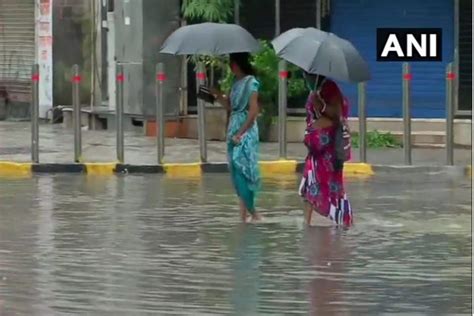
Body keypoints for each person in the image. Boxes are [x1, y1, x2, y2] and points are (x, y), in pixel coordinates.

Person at [211, 53, 262, 223]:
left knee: (243, 169)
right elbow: (231, 107)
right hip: (233, 128)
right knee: (234, 170)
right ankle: (243, 215)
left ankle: (253, 213)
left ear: (235, 64)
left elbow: (253, 111)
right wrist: (217, 96)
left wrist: (240, 132)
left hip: (245, 130)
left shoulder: (251, 82)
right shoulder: (235, 84)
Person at [299, 72, 353, 227]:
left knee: (331, 185)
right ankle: (306, 223)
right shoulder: (313, 91)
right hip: (315, 150)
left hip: (328, 151)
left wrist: (320, 105)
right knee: (311, 182)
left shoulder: (330, 88)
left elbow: (336, 114)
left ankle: (343, 218)